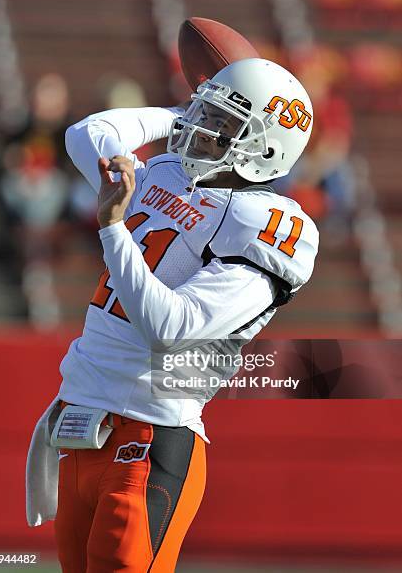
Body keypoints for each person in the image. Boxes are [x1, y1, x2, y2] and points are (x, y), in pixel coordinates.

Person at [26, 58, 319, 572]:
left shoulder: (265, 224)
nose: (200, 127)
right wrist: (177, 112)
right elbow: (87, 133)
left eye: (222, 123)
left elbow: (170, 326)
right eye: (203, 111)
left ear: (264, 150)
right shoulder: (165, 170)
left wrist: (114, 230)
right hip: (80, 424)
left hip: (149, 435)